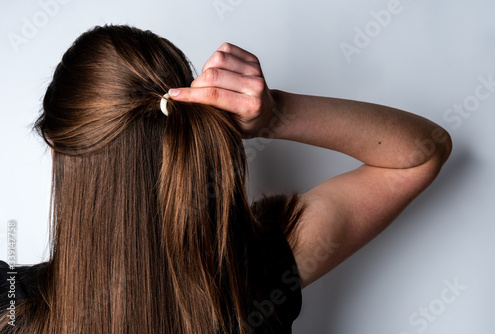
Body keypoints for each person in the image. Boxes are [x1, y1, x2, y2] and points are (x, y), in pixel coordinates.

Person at [0, 25, 452, 334]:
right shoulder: (258, 276)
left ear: (58, 148)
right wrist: (274, 114)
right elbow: (419, 154)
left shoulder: (9, 307)